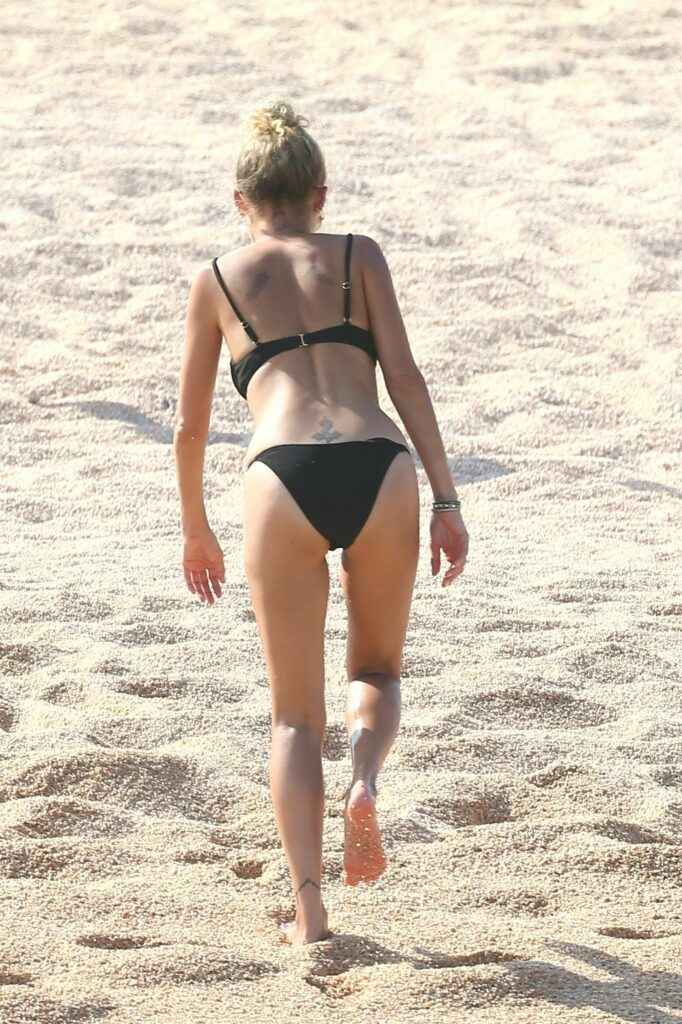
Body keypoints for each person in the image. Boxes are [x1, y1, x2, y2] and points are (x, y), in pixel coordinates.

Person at [173, 100, 468, 946]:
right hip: (380, 466)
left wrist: (196, 528)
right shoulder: (358, 255)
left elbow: (190, 426)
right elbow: (406, 378)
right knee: (375, 668)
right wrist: (447, 500)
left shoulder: (217, 279)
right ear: (321, 194)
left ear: (241, 200)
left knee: (294, 717)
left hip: (282, 475)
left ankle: (309, 913)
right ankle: (365, 778)